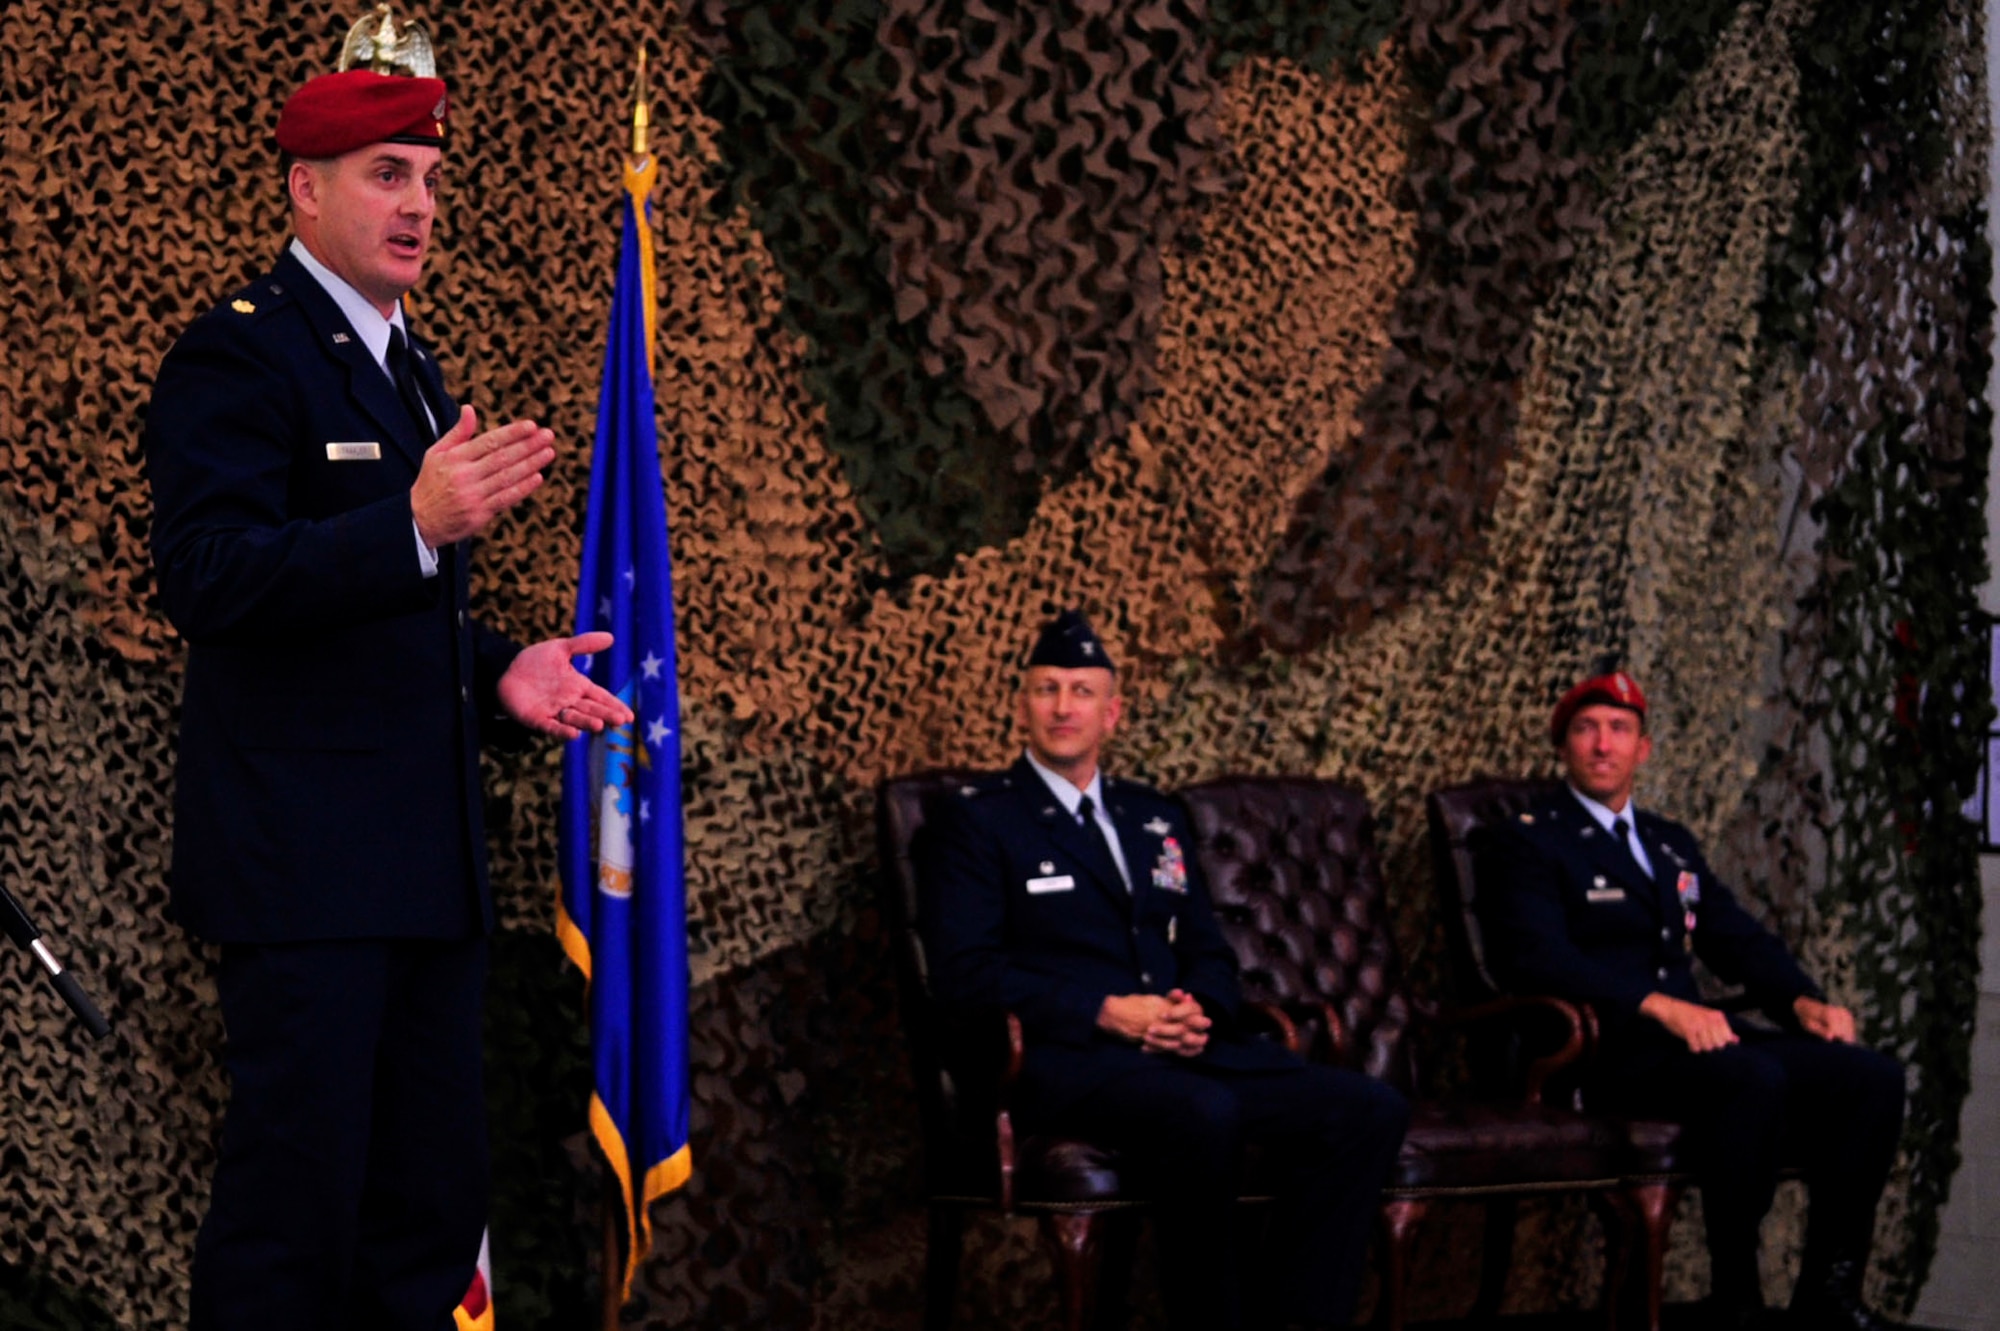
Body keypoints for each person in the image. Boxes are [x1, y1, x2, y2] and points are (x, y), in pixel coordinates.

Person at [144, 50, 633, 1331]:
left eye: (427, 177)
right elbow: (208, 578)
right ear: (304, 192)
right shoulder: (238, 358)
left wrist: (497, 669)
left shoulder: (410, 367)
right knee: (291, 1225)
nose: (418, 203)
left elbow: (383, 622)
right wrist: (410, 520)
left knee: (426, 1216)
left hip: (424, 868)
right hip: (306, 876)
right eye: (385, 175)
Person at [918, 610, 1410, 1331]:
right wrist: (1107, 1010)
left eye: (1081, 691)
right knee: (1203, 1112)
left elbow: (1207, 944)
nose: (1063, 706)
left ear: (1111, 713)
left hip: (1179, 1044)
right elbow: (965, 974)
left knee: (1368, 1108)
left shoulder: (1152, 816)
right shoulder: (979, 820)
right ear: (1021, 705)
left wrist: (1196, 1007)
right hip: (1065, 1058)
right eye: (1047, 689)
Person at [1475, 669, 1905, 1331]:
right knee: (1749, 1077)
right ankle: (1736, 1291)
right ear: (1562, 745)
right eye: (1586, 729)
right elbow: (1535, 956)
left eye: (1619, 730)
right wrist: (1657, 1004)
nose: (1602, 744)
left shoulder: (1669, 841)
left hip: (1690, 1042)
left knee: (1869, 1076)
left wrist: (1799, 1000)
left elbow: (1729, 933)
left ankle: (1830, 1288)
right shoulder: (1528, 838)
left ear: (1642, 749)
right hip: (1607, 1049)